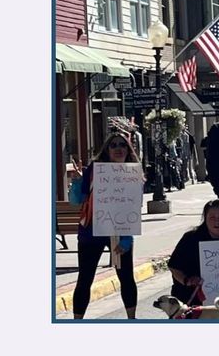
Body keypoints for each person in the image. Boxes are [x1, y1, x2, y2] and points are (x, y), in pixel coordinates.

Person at [70, 132, 142, 319]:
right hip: (91, 231)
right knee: (85, 279)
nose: (118, 148)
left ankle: (131, 319)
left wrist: (126, 238)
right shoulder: (95, 169)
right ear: (106, 150)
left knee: (126, 277)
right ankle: (77, 321)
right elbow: (77, 200)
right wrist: (77, 182)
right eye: (113, 145)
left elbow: (133, 206)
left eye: (122, 145)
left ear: (128, 149)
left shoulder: (133, 171)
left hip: (120, 231)